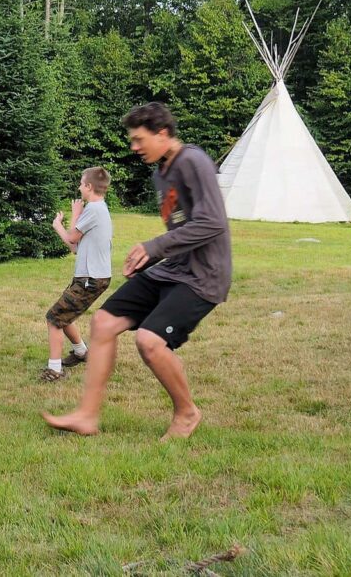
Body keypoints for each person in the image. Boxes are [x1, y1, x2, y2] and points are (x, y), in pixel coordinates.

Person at [43, 102, 231, 441]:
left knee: (149, 341)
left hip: (203, 276)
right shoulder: (161, 174)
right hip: (170, 270)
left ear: (163, 133)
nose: (134, 146)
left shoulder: (193, 161)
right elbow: (180, 230)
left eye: (139, 139)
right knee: (103, 323)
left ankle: (187, 412)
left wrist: (154, 247)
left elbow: (212, 223)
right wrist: (148, 259)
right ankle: (87, 416)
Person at [40, 167, 113, 382]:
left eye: (81, 184)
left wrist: (60, 223)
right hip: (89, 277)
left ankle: (55, 370)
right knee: (63, 315)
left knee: (54, 319)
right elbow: (75, 246)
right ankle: (81, 352)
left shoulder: (94, 209)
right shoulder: (98, 209)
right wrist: (74, 218)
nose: (79, 187)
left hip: (91, 279)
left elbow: (71, 237)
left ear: (89, 186)